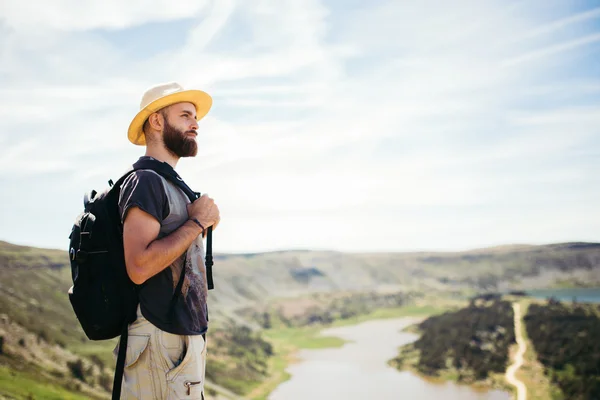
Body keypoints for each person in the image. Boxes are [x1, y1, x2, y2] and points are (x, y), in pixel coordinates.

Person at [114, 82, 220, 399]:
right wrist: (197, 221)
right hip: (158, 337)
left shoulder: (169, 183)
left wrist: (199, 223)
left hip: (177, 338)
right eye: (185, 115)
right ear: (157, 121)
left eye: (196, 117)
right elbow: (139, 266)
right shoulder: (145, 181)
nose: (196, 124)